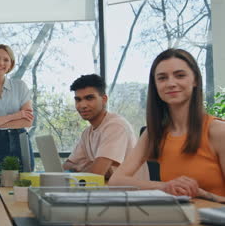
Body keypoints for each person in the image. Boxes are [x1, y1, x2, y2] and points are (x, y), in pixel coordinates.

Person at [109, 48, 225, 200]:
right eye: (162, 78)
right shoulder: (153, 133)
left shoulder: (218, 131)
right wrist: (165, 186)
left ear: (195, 80)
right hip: (177, 219)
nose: (171, 83)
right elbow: (116, 181)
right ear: (155, 85)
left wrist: (203, 194)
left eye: (180, 75)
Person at [62, 74, 149, 180]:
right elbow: (66, 166)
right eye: (78, 100)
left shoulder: (116, 126)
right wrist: (83, 167)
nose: (83, 105)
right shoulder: (87, 133)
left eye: (89, 98)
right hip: (106, 190)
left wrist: (81, 168)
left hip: (131, 194)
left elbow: (96, 174)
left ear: (104, 99)